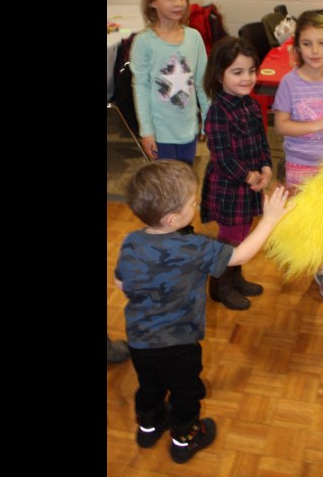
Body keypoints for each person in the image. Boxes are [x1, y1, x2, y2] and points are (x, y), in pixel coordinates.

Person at [114, 159, 290, 463]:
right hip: (178, 343)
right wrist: (271, 219)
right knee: (186, 392)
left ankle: (148, 426)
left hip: (140, 340)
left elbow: (120, 283)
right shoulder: (194, 248)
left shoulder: (131, 241)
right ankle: (185, 440)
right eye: (192, 202)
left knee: (150, 385)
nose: (196, 204)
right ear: (172, 219)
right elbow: (240, 255)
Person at [272, 10, 323, 299]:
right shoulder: (289, 84)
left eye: (322, 43)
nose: (315, 50)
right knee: (306, 220)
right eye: (307, 43)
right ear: (297, 47)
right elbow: (281, 125)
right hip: (300, 165)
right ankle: (312, 258)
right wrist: (315, 125)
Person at [200, 36, 275, 310]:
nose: (247, 78)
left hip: (249, 184)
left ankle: (236, 276)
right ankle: (220, 286)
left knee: (242, 234)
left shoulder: (252, 105)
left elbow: (261, 142)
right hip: (230, 186)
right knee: (230, 239)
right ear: (220, 76)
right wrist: (249, 177)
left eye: (252, 71)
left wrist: (266, 167)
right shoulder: (218, 112)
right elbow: (221, 157)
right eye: (238, 72)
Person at [130, 0, 211, 166]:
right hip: (160, 134)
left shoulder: (194, 38)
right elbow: (141, 87)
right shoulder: (144, 42)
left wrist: (208, 118)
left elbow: (202, 82)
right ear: (152, 1)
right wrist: (146, 131)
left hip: (188, 131)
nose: (179, 3)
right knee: (165, 187)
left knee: (185, 182)